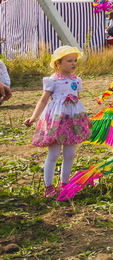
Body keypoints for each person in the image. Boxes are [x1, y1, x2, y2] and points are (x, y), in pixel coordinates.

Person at [24, 46, 89, 197]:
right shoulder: (52, 81)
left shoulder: (76, 80)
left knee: (70, 154)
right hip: (57, 121)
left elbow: (77, 101)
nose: (73, 64)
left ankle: (64, 184)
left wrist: (85, 118)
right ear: (58, 63)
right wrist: (34, 117)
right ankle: (48, 187)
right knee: (53, 154)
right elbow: (43, 100)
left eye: (75, 61)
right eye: (69, 61)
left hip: (72, 120)